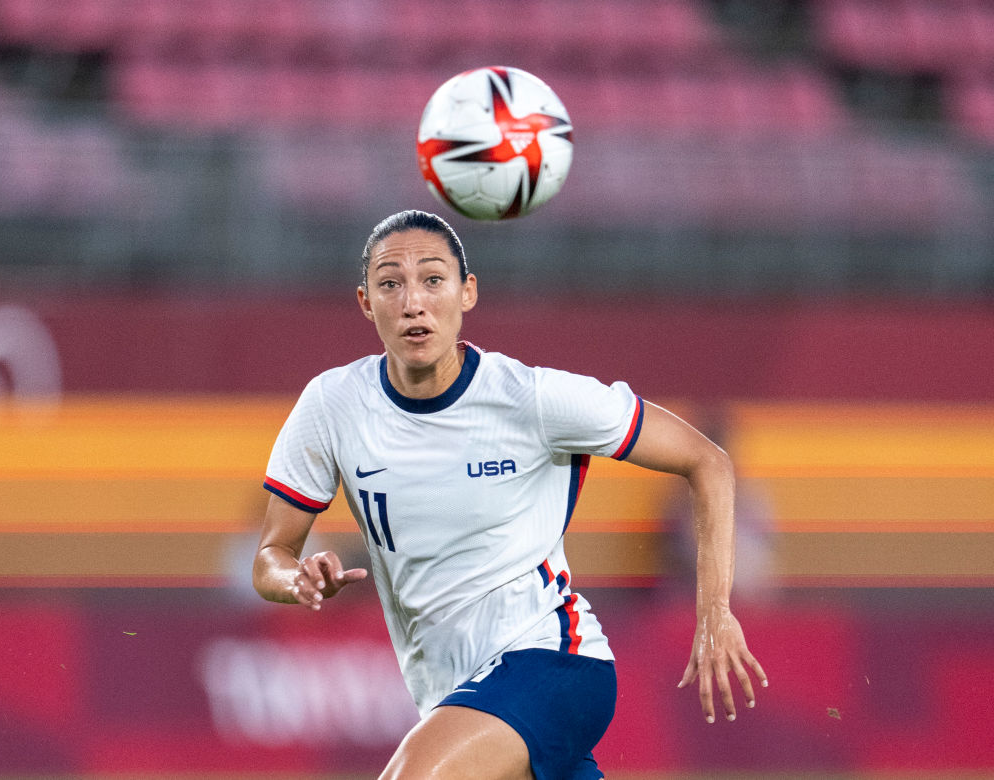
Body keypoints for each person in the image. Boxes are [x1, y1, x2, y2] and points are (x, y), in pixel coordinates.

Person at [253, 210, 767, 780]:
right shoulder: (333, 405)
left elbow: (708, 461)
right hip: (452, 691)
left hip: (554, 660)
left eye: (432, 279)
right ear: (366, 302)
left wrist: (715, 613)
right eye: (390, 283)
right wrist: (296, 579)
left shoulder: (532, 399)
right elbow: (271, 556)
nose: (413, 302)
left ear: (467, 292)